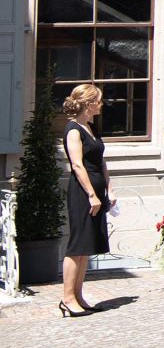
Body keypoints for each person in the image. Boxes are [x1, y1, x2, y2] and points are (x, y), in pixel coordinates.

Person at [61, 84, 112, 317]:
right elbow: (77, 164)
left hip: (97, 191)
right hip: (83, 193)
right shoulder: (73, 130)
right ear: (89, 103)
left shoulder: (90, 127)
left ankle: (79, 295)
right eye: (98, 100)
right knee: (77, 246)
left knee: (86, 248)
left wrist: (108, 189)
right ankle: (67, 298)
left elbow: (101, 162)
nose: (101, 104)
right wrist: (91, 194)